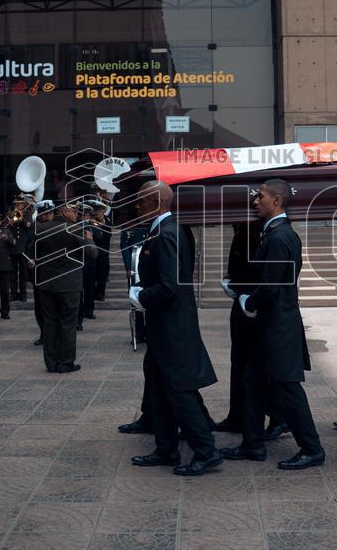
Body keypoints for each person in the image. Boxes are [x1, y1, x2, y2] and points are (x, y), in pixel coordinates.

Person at [223, 179, 325, 470]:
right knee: (253, 381)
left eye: (261, 197)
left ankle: (312, 448)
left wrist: (246, 301)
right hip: (267, 324)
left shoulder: (280, 237)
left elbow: (270, 285)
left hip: (278, 325)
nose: (256, 202)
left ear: (277, 201)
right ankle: (252, 444)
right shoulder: (274, 233)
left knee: (287, 388)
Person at [128, 181, 221, 476]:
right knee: (158, 389)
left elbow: (169, 286)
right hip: (163, 326)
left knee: (180, 390)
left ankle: (206, 452)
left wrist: (141, 296)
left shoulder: (167, 234)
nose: (137, 206)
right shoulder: (162, 231)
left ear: (156, 201)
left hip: (172, 327)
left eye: (141, 200)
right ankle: (166, 449)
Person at [219, 223, 289, 439]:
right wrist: (232, 281)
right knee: (239, 360)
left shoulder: (262, 230)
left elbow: (261, 271)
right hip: (242, 296)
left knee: (257, 366)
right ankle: (238, 414)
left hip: (254, 302)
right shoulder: (244, 227)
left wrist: (245, 291)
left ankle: (279, 416)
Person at [31, 200, 86, 372]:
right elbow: (92, 253)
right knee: (67, 324)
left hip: (47, 284)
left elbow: (30, 254)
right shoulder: (75, 229)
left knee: (50, 323)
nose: (76, 214)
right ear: (64, 211)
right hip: (69, 285)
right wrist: (89, 240)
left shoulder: (40, 229)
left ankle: (51, 363)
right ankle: (65, 363)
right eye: (74, 211)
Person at [25, 201, 55, 346]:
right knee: (40, 307)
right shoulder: (34, 230)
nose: (48, 216)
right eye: (45, 214)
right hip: (39, 273)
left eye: (50, 213)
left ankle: (53, 334)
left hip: (54, 273)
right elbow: (27, 250)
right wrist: (30, 260)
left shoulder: (57, 228)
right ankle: (44, 333)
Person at [0, 213, 15, 321]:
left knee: (4, 290)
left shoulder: (6, 230)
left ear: (0, 222)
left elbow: (13, 243)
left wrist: (7, 240)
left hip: (4, 265)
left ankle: (5, 311)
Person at [10, 195, 34, 302]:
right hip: (13, 247)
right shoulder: (10, 214)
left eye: (18, 204)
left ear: (23, 204)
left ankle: (23, 294)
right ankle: (14, 293)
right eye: (15, 204)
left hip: (23, 247)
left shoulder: (28, 214)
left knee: (23, 273)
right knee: (13, 273)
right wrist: (12, 222)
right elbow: (5, 226)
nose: (17, 206)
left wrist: (21, 218)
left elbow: (29, 225)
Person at [91, 200, 111, 301]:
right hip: (94, 252)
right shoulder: (91, 222)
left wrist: (102, 224)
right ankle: (93, 293)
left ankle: (100, 293)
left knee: (103, 274)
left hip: (103, 253)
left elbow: (108, 235)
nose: (97, 213)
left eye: (99, 211)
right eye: (96, 211)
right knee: (93, 274)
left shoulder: (106, 221)